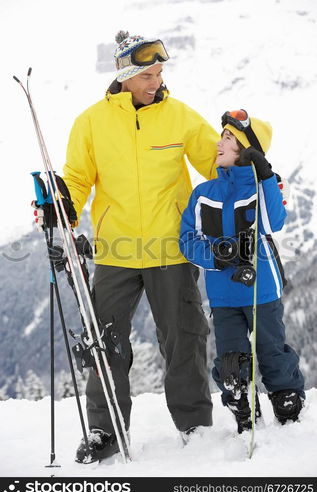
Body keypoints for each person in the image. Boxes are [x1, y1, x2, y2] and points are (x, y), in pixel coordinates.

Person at [57, 31, 221, 461]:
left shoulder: (180, 116)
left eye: (159, 72)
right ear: (124, 76)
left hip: (172, 250)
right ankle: (104, 430)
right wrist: (64, 208)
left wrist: (250, 168)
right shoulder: (91, 122)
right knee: (106, 343)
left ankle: (195, 428)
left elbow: (216, 162)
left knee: (184, 339)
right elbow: (76, 179)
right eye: (147, 74)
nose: (156, 81)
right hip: (116, 253)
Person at [179, 109, 305, 434]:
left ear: (246, 149)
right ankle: (244, 412)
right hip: (223, 298)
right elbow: (187, 239)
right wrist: (216, 256)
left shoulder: (264, 189)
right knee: (231, 362)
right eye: (222, 136)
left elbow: (272, 222)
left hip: (261, 290)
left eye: (228, 138)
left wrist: (264, 176)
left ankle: (287, 406)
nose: (219, 143)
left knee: (272, 353)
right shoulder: (204, 194)